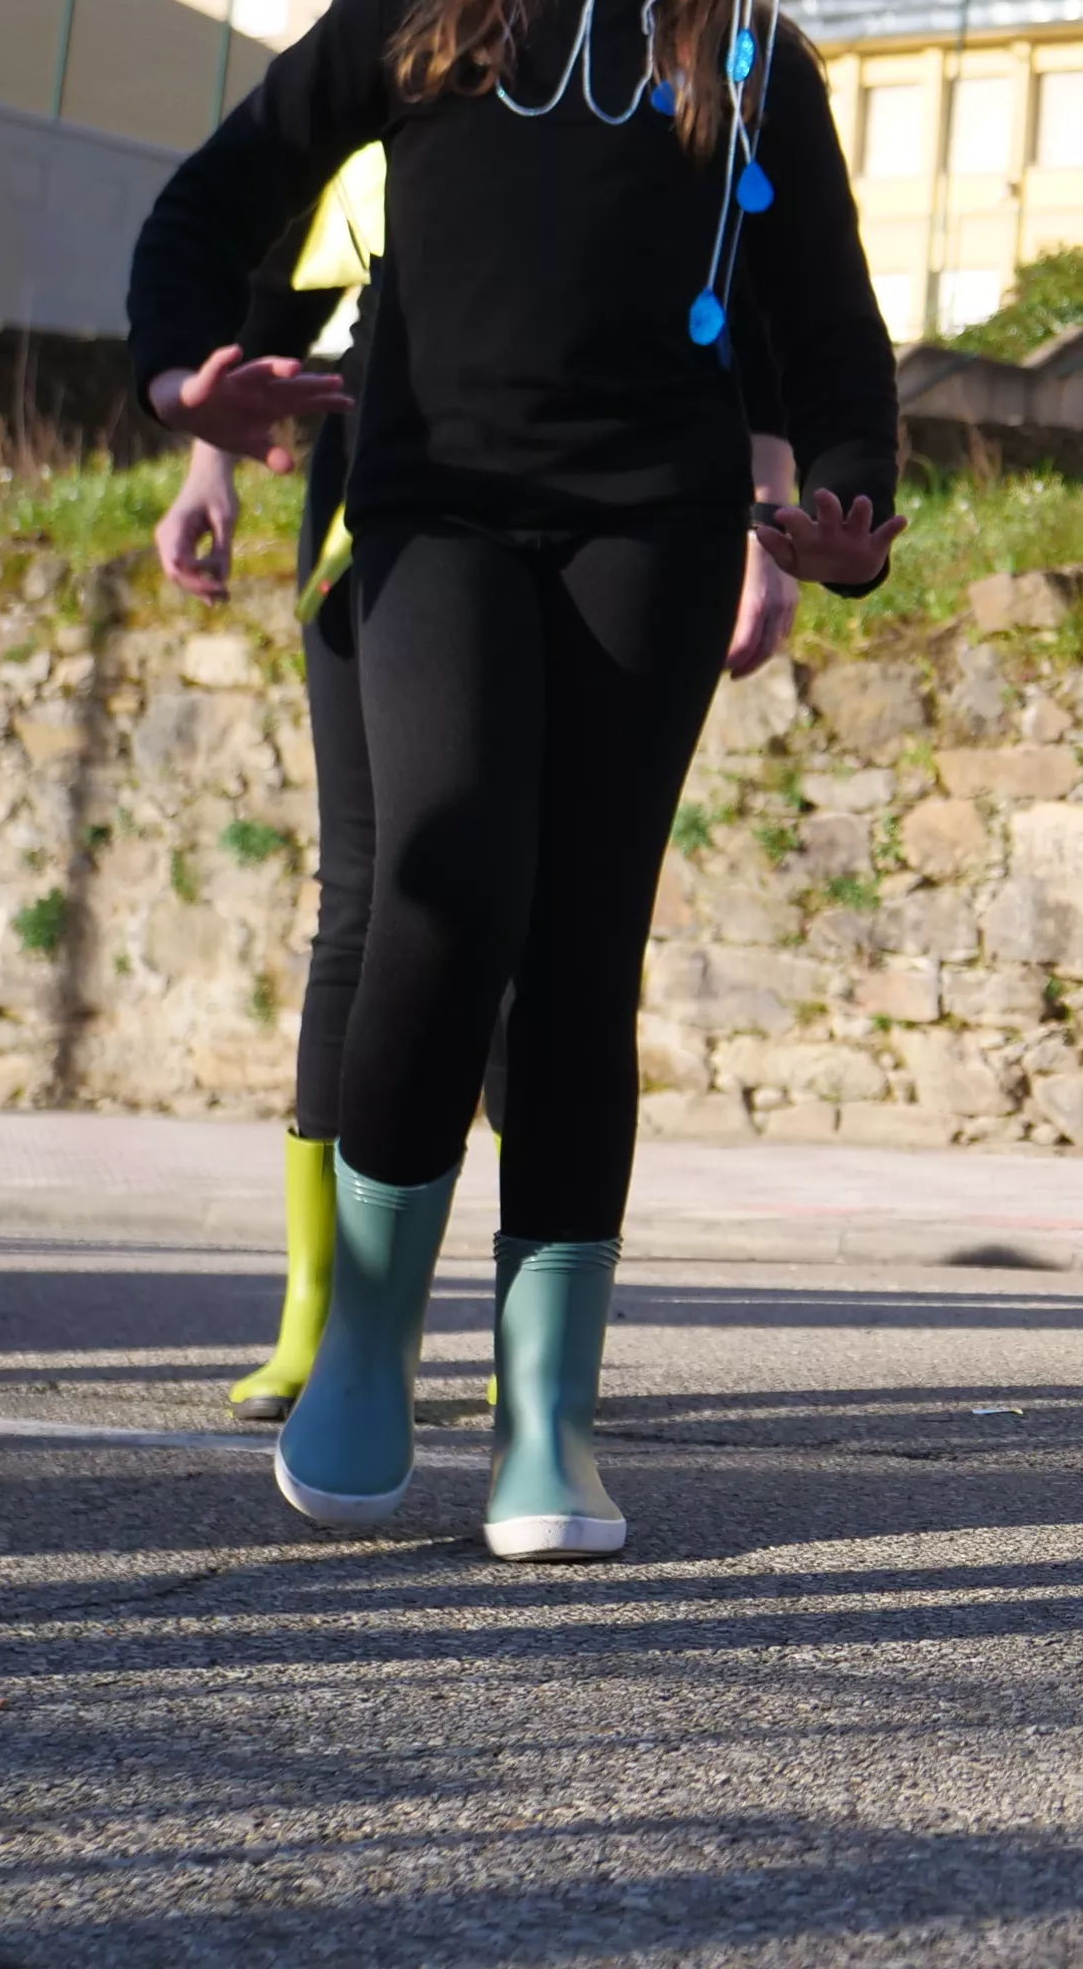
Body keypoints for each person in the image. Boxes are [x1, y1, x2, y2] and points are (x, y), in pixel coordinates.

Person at [125, 0, 912, 1562]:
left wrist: (843, 504)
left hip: (645, 531)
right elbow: (210, 207)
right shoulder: (414, 16)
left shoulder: (749, 63)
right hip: (437, 511)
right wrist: (188, 382)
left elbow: (831, 336)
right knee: (447, 876)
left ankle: (548, 1417)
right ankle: (369, 1331)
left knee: (580, 952)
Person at [156, 180, 809, 1423]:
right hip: (382, 485)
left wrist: (765, 503)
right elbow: (274, 295)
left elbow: (764, 287)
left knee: (554, 914)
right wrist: (210, 469)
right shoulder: (406, 54)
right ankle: (330, 1317)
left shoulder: (691, 52)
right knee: (373, 889)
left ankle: (535, 1354)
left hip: (614, 490)